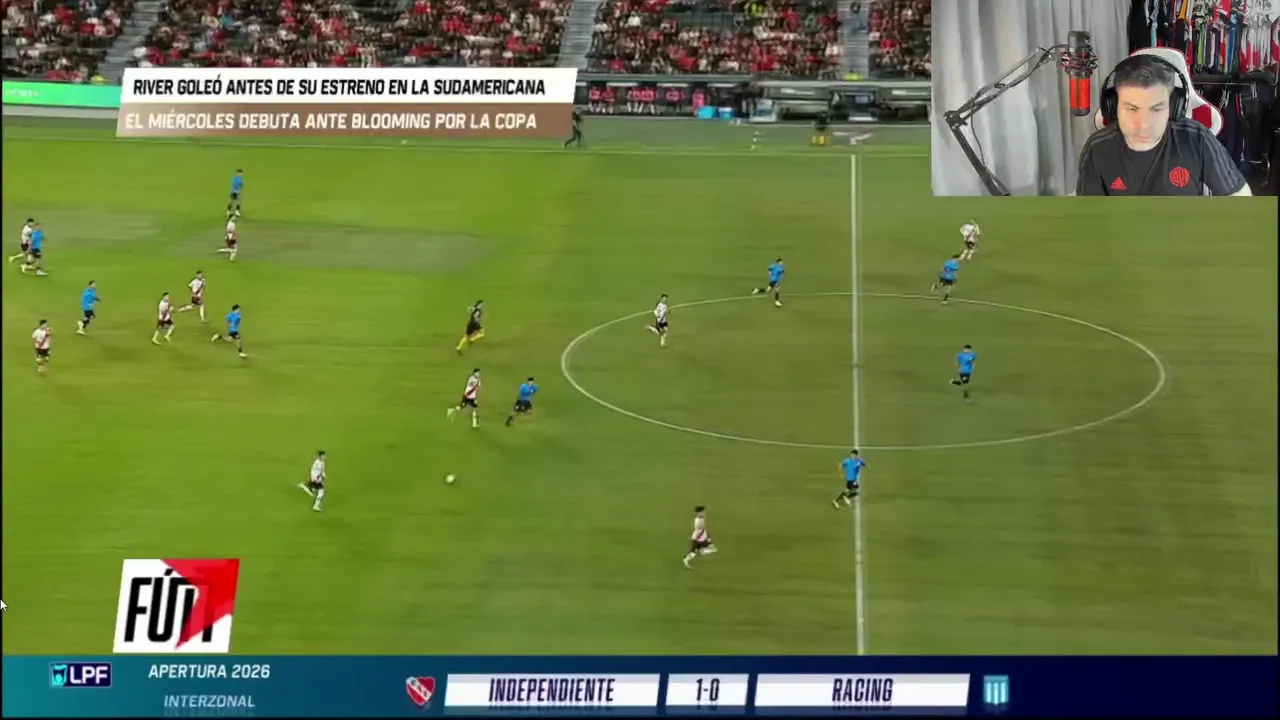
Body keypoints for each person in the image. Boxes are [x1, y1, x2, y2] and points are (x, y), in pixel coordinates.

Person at [1076, 55, 1251, 196]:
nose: (1144, 124)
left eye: (1156, 109)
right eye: (1132, 109)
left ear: (1173, 106)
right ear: (1114, 107)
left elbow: (1238, 197)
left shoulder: (1198, 139)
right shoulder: (1097, 149)